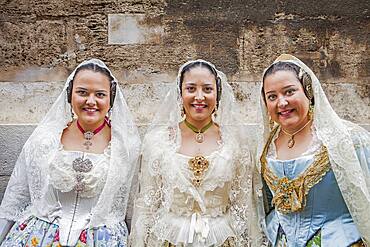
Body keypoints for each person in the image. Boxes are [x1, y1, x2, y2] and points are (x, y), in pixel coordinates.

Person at [0, 59, 141, 246]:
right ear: (70, 94)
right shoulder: (45, 140)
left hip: (102, 239)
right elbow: (16, 197)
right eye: (82, 92)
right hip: (40, 237)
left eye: (100, 94)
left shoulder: (126, 146)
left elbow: (133, 205)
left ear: (111, 98)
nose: (90, 101)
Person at [129, 59, 265, 247]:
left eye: (207, 89)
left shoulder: (235, 143)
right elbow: (147, 204)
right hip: (169, 237)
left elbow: (244, 205)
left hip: (222, 237)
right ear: (180, 93)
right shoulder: (158, 142)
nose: (199, 97)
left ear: (217, 95)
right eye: (191, 89)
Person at [256, 54, 370, 246]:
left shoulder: (349, 139)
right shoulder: (265, 146)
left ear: (308, 90)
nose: (281, 103)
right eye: (272, 96)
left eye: (289, 92)